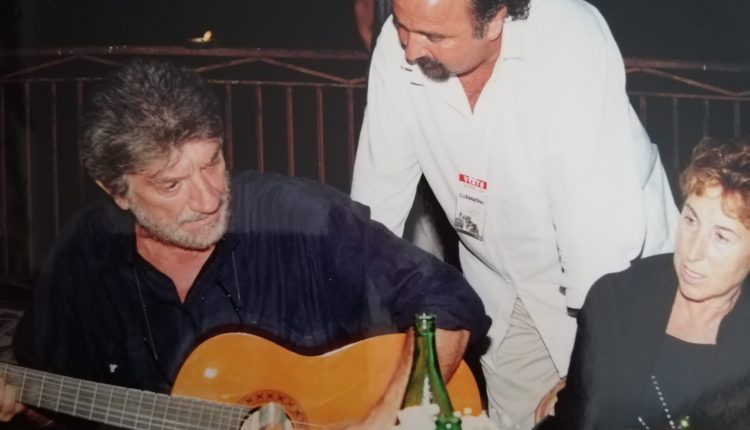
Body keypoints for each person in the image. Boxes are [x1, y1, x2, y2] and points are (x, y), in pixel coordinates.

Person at [0, 59, 491, 429]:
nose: (210, 198)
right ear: (117, 191)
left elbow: (447, 301)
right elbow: (54, 396)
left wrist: (382, 419)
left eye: (212, 162)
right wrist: (21, 407)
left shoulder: (296, 217)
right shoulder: (84, 256)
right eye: (172, 184)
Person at [350, 0, 678, 428]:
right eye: (402, 25)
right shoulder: (398, 47)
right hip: (501, 286)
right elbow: (376, 208)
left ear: (495, 20)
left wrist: (589, 375)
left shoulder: (568, 38)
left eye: (434, 36)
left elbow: (596, 240)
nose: (409, 50)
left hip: (615, 291)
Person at [542, 137, 750, 429]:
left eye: (721, 237)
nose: (692, 252)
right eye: (691, 220)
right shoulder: (616, 300)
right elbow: (580, 417)